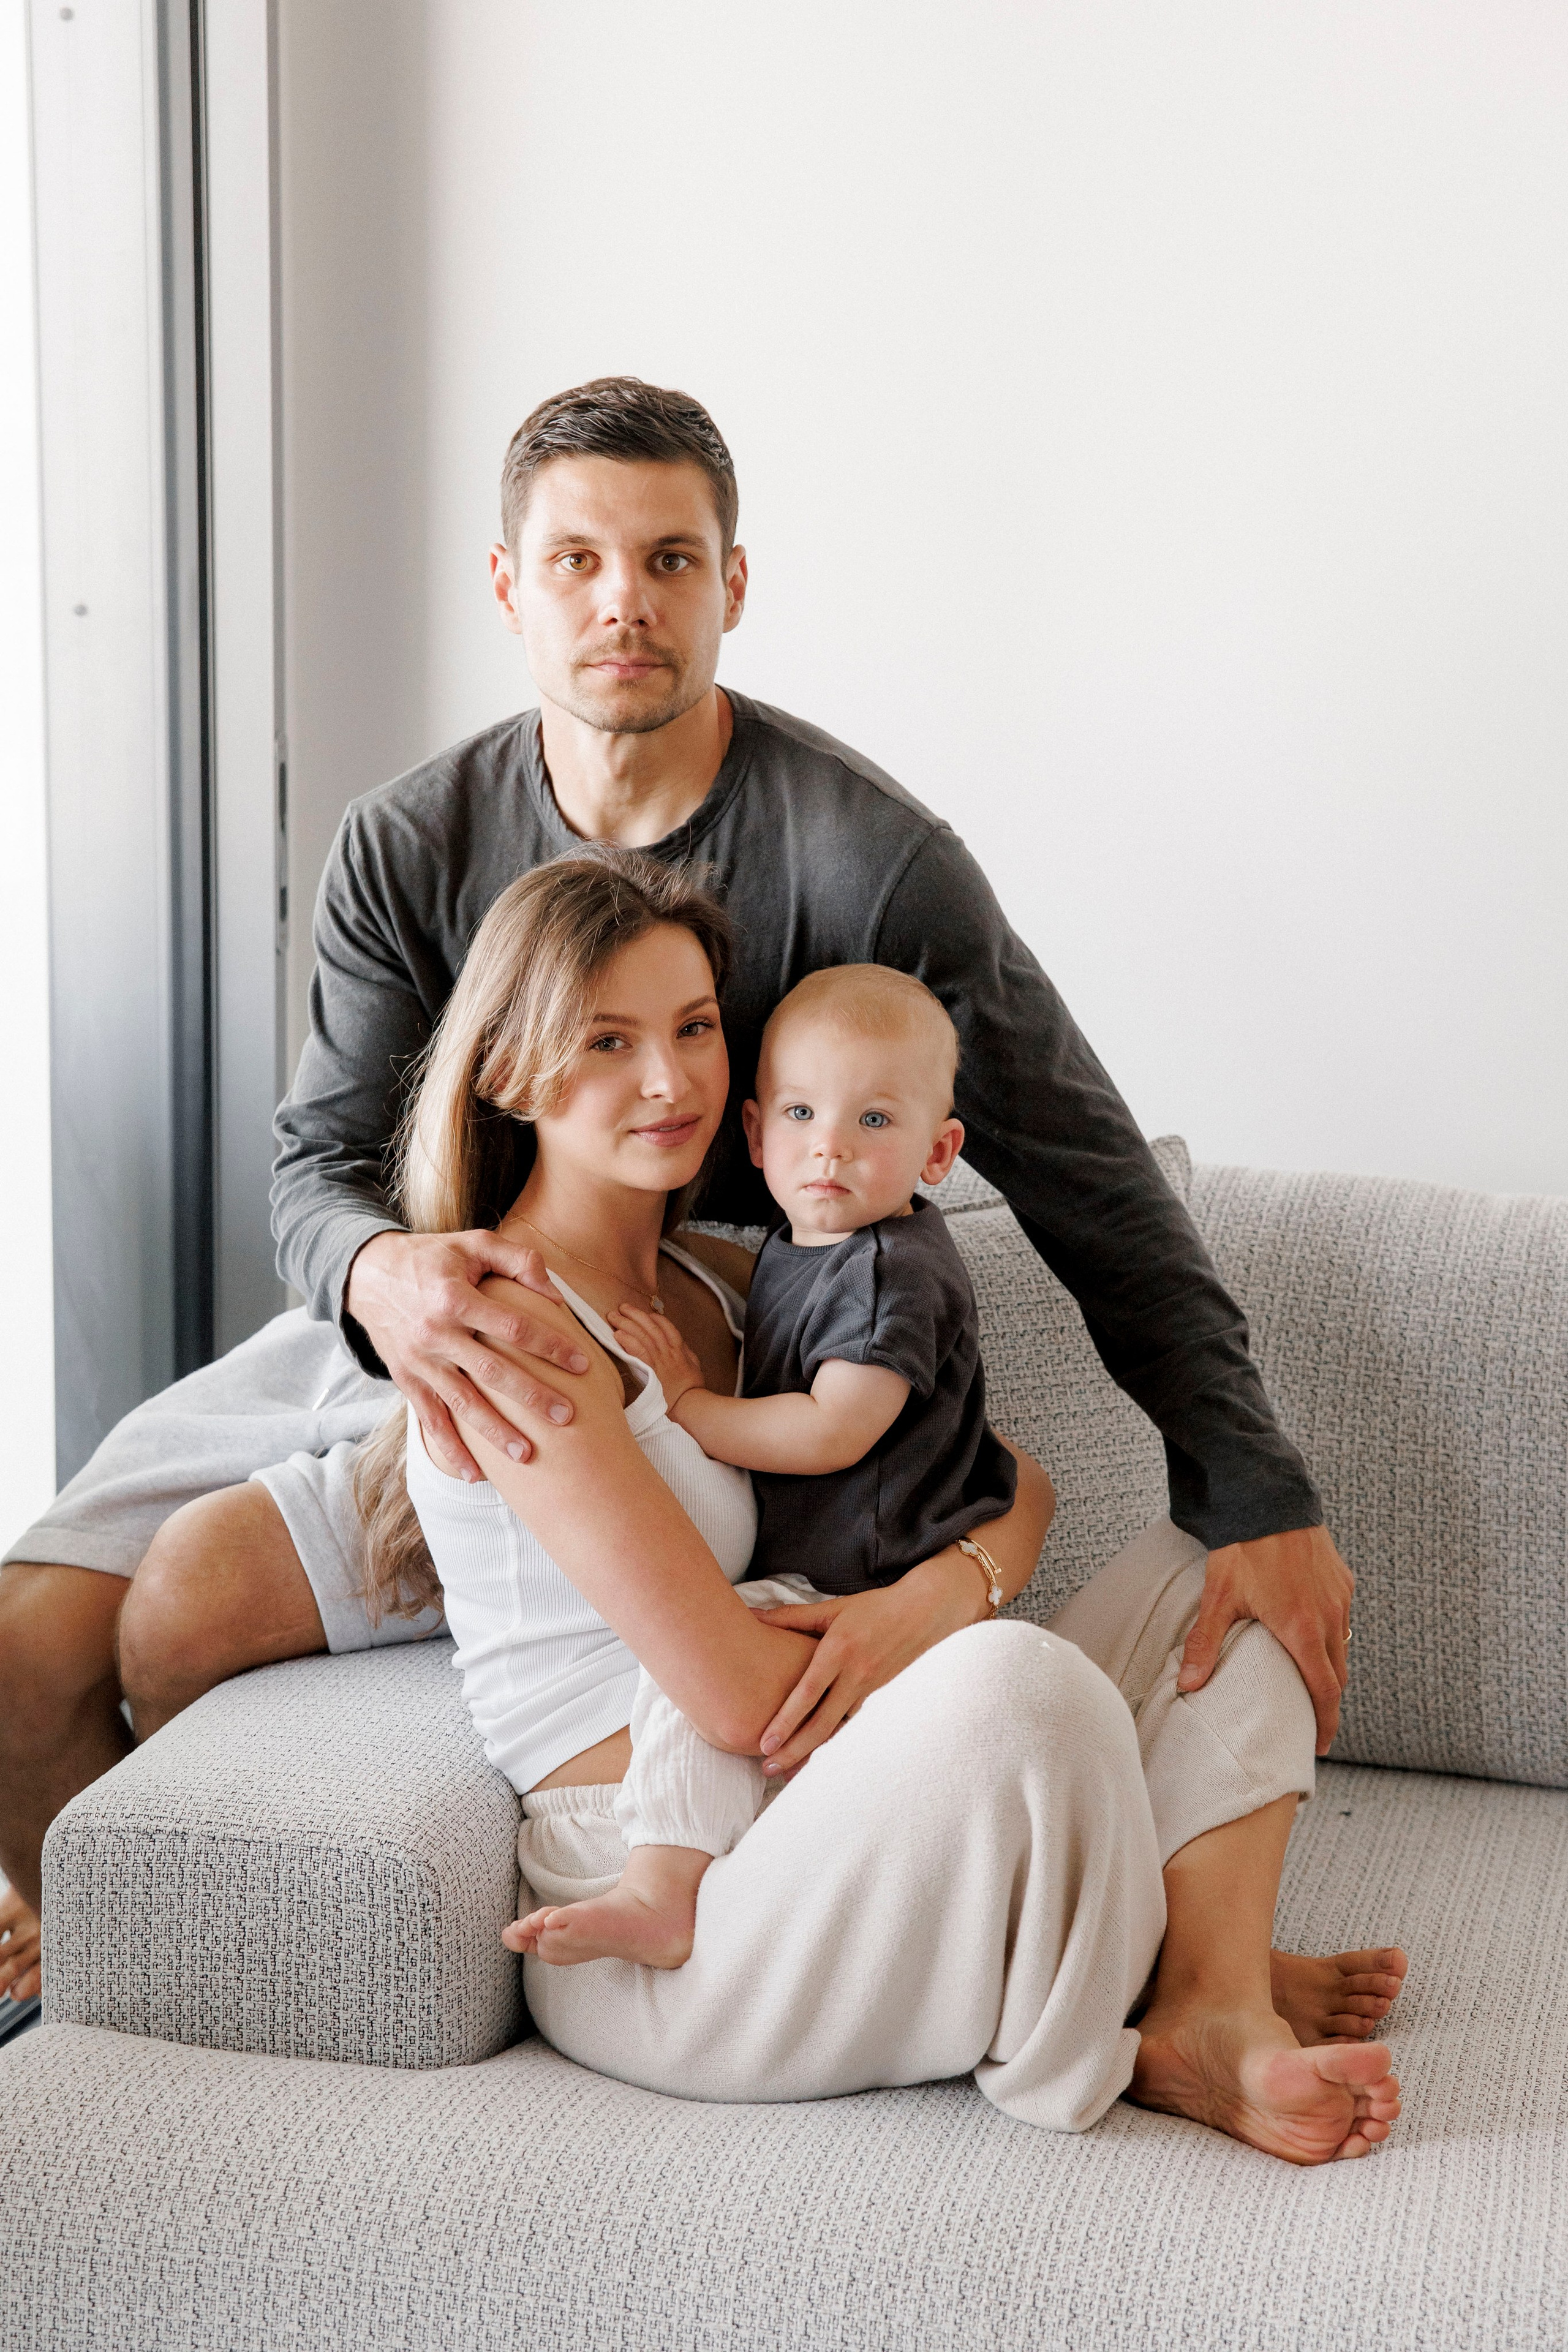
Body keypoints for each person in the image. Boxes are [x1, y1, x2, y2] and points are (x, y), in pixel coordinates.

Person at [0, 377, 1382, 2032]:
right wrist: (382, 1279)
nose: (623, 604)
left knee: (213, 1598)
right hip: (425, 1299)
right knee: (34, 1651)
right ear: (511, 588)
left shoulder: (870, 862)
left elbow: (1096, 1185)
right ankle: (77, 1965)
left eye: (668, 560)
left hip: (705, 1338)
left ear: (733, 583)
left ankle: (1142, 1958)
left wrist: (1261, 1481)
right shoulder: (403, 847)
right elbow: (316, 1170)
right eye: (577, 562)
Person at [359, 842, 1401, 2158]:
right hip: (680, 1899)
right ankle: (1133, 1999)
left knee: (1225, 1567)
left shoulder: (732, 1283)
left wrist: (930, 1601)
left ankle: (1204, 1988)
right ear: (512, 1069)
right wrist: (947, 1626)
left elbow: (1014, 1486)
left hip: (823, 1791)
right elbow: (738, 1699)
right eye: (607, 1041)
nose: (669, 1079)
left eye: (691, 1029)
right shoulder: (505, 1325)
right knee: (1020, 1691)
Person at [512, 959, 1025, 1967]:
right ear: (757, 1133)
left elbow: (836, 1432)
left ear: (939, 1151)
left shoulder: (885, 1269)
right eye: (800, 1112)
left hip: (857, 1571)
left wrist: (694, 1406)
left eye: (875, 1122)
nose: (828, 1145)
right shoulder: (788, 1250)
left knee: (694, 1664)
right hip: (802, 1623)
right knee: (692, 1668)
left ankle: (663, 1889)